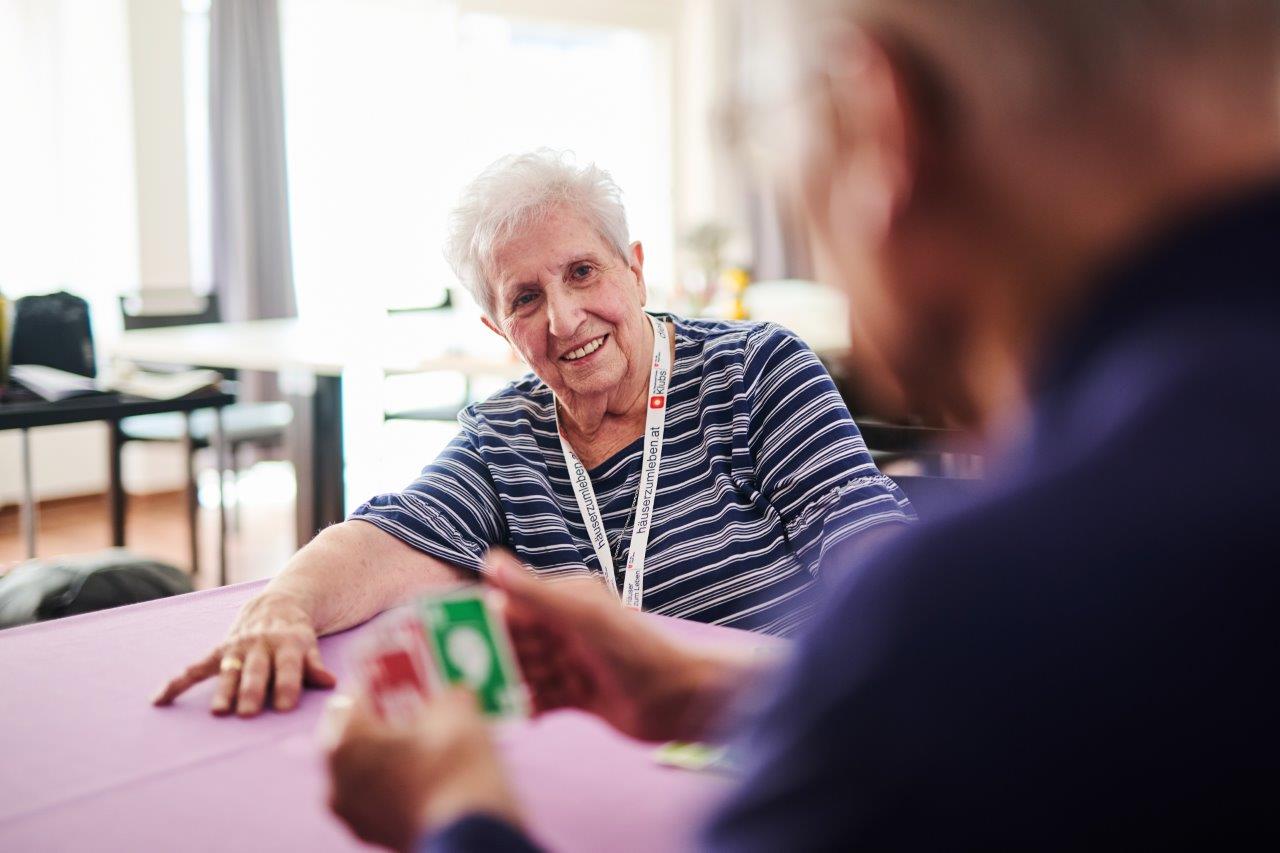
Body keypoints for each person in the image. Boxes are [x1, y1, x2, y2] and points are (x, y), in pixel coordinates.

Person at [325, 0, 1280, 849]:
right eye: (527, 297)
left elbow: (923, 652)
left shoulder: (953, 616)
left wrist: (454, 809)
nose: (565, 316)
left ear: (881, 127)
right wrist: (710, 693)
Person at [152, 150, 912, 717]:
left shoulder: (755, 370)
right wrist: (284, 605)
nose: (564, 319)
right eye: (524, 298)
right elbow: (386, 539)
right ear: (497, 328)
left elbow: (876, 558)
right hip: (601, 753)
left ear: (635, 269)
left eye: (582, 272)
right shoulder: (504, 435)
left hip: (781, 722)